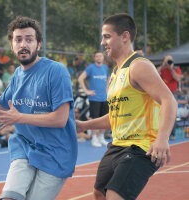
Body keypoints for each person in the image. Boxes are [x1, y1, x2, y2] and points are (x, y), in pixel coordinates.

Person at [76, 13, 177, 200]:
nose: (102, 42)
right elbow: (115, 117)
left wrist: (162, 139)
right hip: (117, 145)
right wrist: (83, 125)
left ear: (124, 36)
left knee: (115, 195)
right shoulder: (114, 74)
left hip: (141, 146)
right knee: (99, 193)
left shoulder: (138, 66)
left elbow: (169, 100)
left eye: (107, 36)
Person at [0, 16, 77, 200]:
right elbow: (4, 105)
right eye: (18, 39)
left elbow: (60, 119)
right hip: (25, 146)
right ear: (12, 45)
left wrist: (20, 118)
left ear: (38, 44)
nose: (23, 44)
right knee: (9, 198)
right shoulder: (17, 74)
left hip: (55, 153)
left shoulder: (56, 71)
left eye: (29, 39)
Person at [78, 51, 109, 147]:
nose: (99, 57)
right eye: (97, 56)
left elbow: (108, 79)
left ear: (103, 58)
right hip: (94, 98)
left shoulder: (105, 68)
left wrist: (108, 91)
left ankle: (101, 137)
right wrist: (87, 91)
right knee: (94, 119)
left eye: (100, 56)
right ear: (94, 58)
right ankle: (94, 139)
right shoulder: (90, 68)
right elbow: (80, 78)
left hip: (105, 98)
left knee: (105, 119)